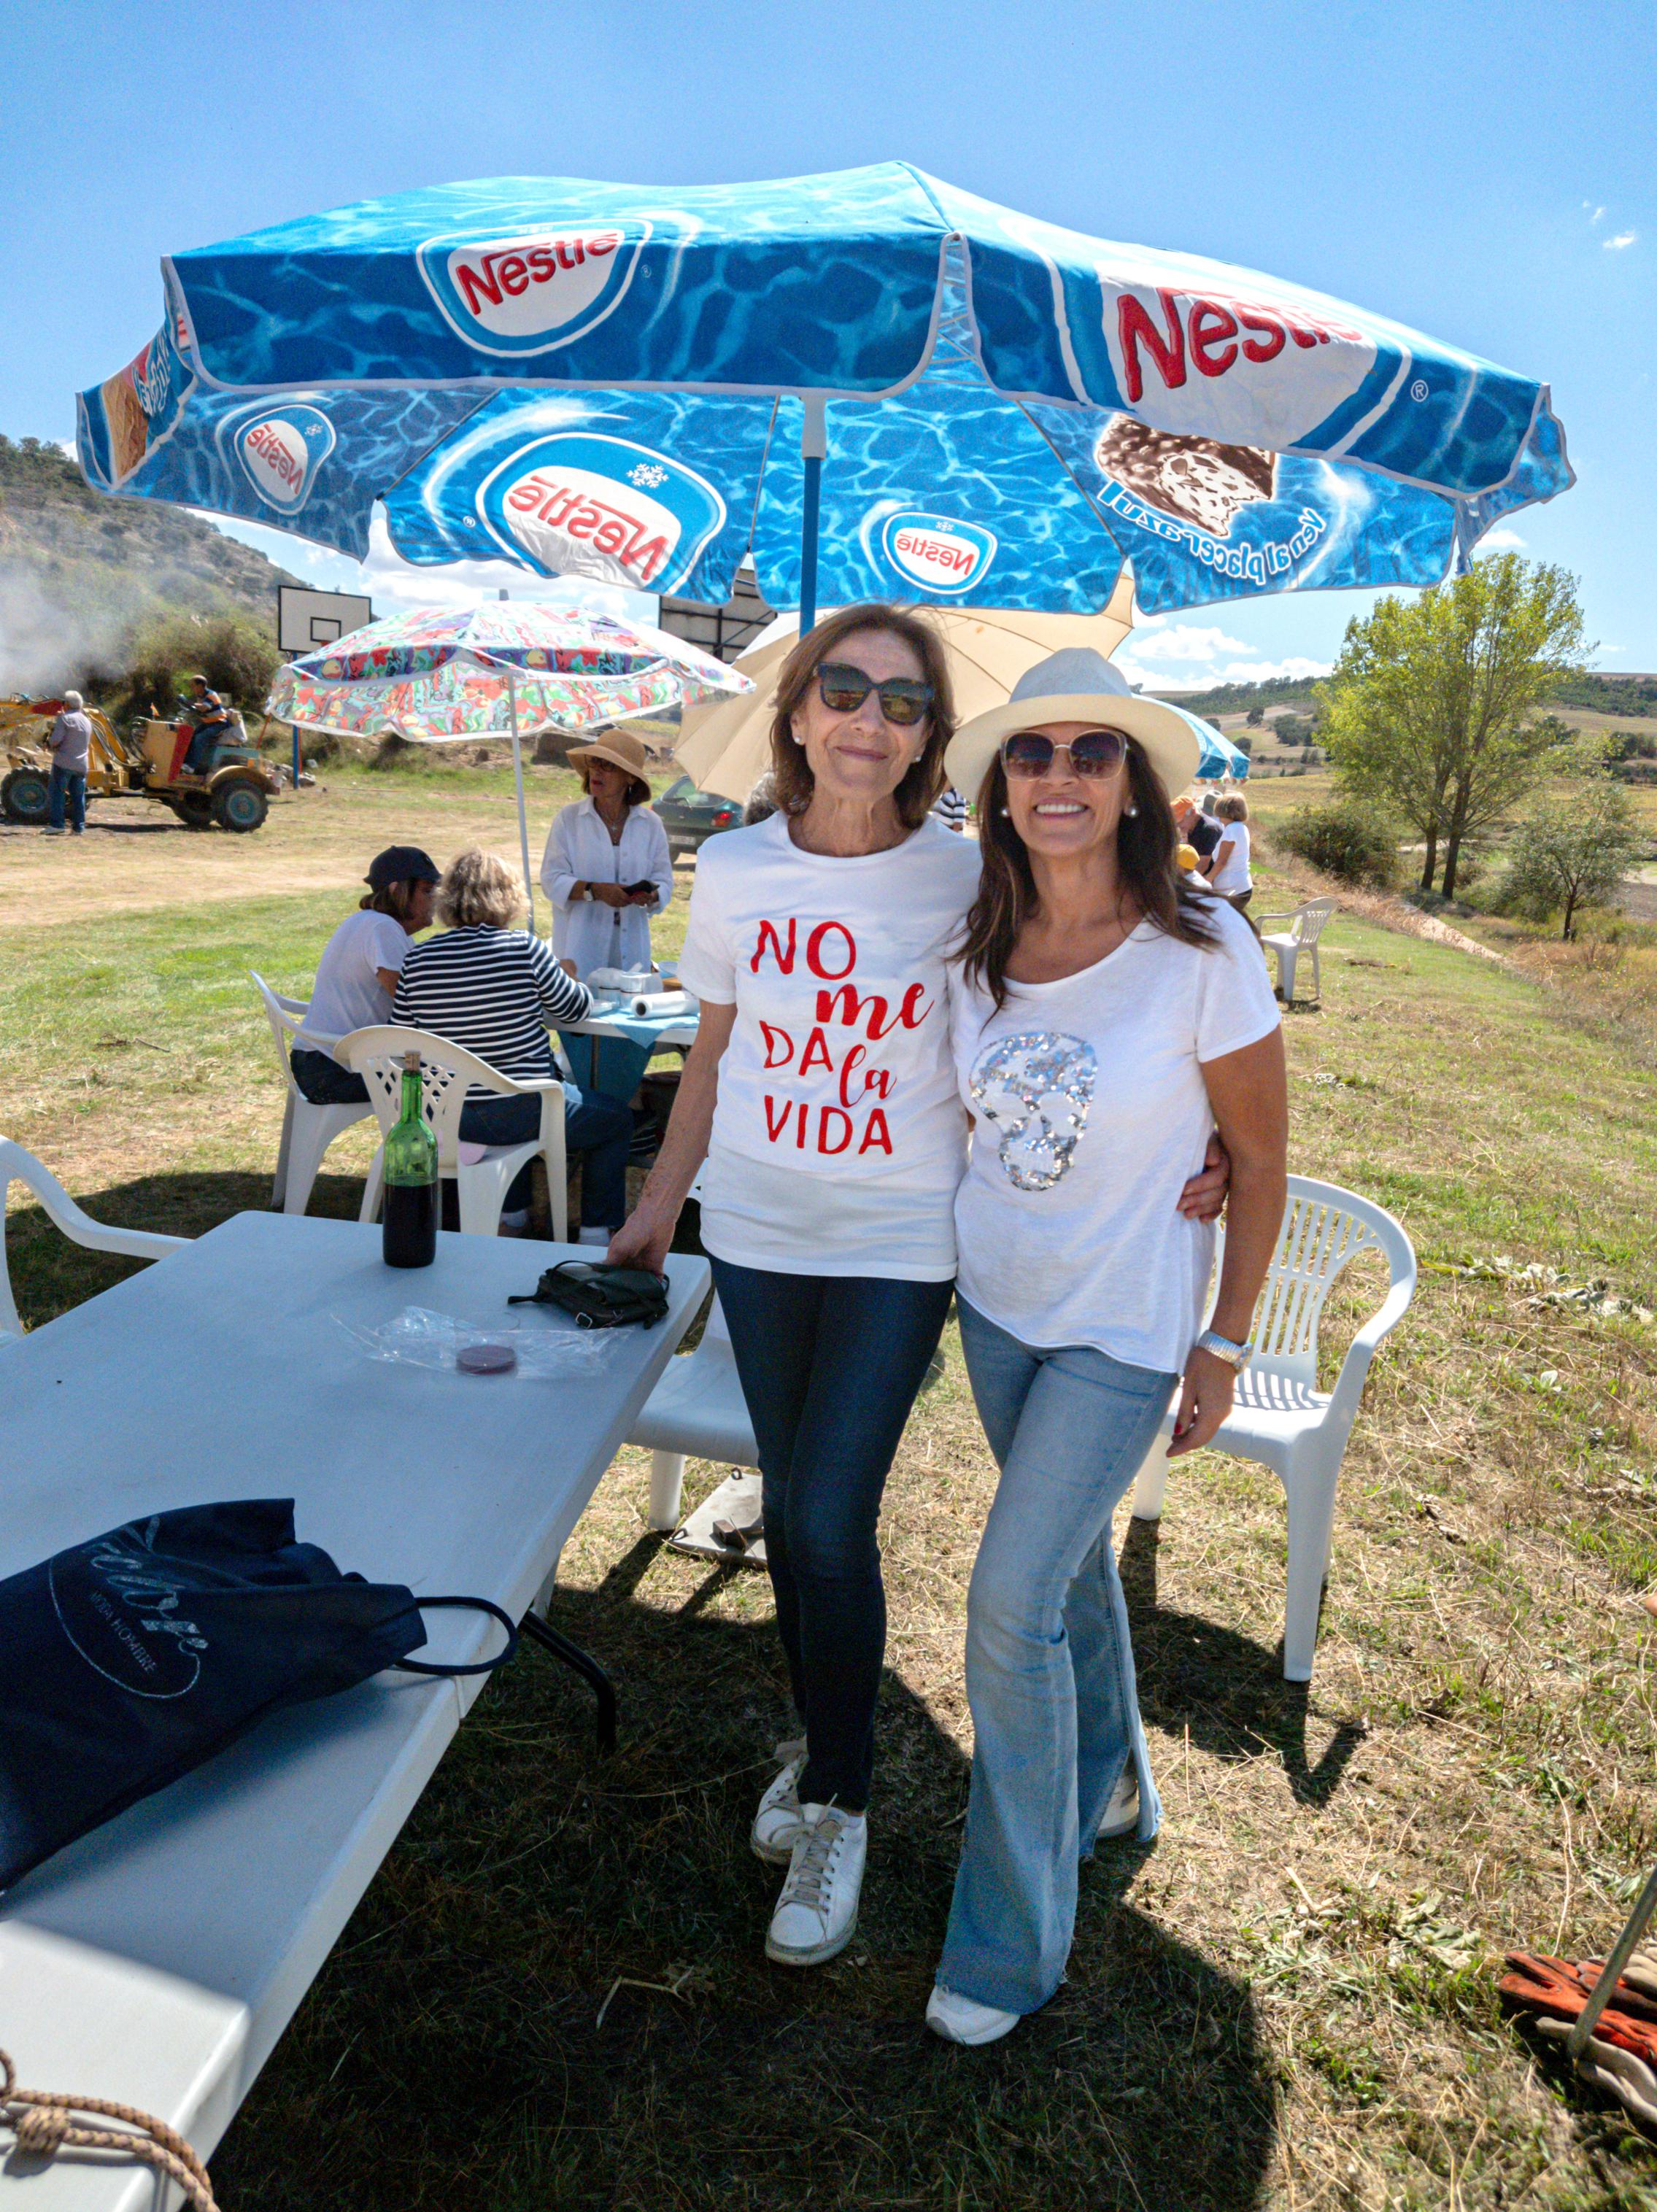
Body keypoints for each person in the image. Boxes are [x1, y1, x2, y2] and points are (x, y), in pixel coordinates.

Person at [607, 610, 1231, 1971]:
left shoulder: (964, 877)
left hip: (904, 1242)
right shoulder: (734, 867)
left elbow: (1090, 983)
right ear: (798, 711)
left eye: (901, 703)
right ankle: (824, 1739)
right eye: (844, 690)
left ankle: (840, 1801)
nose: (868, 721)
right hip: (759, 1233)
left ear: (929, 742)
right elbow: (711, 1052)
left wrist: (1215, 1140)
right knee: (790, 1504)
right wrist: (660, 1206)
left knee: (827, 1514)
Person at [924, 649, 1288, 2048]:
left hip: (1125, 1331)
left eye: (1090, 752)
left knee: (1007, 1603)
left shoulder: (1202, 949)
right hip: (996, 1311)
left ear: (1132, 783)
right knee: (1068, 1567)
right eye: (1031, 753)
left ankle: (1009, 1940)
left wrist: (1222, 1343)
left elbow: (1253, 1159)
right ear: (1001, 789)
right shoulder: (976, 943)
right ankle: (1120, 1781)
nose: (1058, 776)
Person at [394, 848, 633, 1240]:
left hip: (450, 1115)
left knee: (511, 1094)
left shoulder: (417, 959)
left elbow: (403, 1043)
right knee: (615, 1121)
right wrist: (567, 976)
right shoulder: (524, 948)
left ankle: (515, 1216)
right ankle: (596, 1232)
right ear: (508, 898)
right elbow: (574, 1011)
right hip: (523, 1111)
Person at [289, 846, 440, 1105]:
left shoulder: (370, 922)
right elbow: (415, 1007)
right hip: (332, 1070)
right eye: (427, 891)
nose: (436, 899)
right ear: (397, 890)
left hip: (321, 1062)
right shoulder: (383, 929)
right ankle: (444, 1146)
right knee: (451, 1086)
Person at [540, 730, 674, 980]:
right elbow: (551, 880)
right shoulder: (569, 819)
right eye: (594, 762)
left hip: (632, 951)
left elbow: (664, 880)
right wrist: (596, 890)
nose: (597, 771)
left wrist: (653, 894)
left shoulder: (651, 824)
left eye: (609, 766)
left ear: (630, 778)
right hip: (579, 949)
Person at [45, 691, 93, 835]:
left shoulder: (65, 719)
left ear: (67, 704)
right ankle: (78, 828)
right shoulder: (87, 721)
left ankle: (57, 825)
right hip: (81, 765)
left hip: (64, 763)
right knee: (78, 798)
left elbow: (55, 741)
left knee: (57, 793)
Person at [181, 675, 235, 777]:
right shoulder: (200, 695)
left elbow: (204, 708)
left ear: (201, 685)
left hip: (220, 723)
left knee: (200, 738)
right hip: (209, 722)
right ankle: (185, 763)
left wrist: (187, 702)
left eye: (193, 686)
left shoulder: (211, 695)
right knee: (191, 736)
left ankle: (191, 766)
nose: (192, 688)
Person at [1210, 794, 1254, 915]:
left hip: (1232, 888)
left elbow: (1221, 861)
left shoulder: (1232, 830)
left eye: (1220, 815)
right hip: (1241, 886)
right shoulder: (1241, 828)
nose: (1219, 819)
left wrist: (1207, 880)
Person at [1173, 789, 1221, 878]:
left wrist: (1184, 884)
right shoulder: (1189, 829)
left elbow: (1202, 866)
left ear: (1193, 812)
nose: (1178, 825)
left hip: (1213, 882)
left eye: (1181, 821)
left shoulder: (1209, 829)